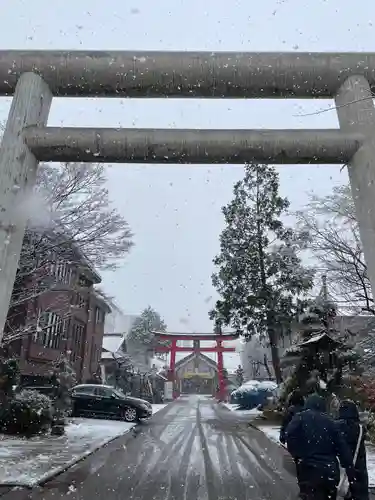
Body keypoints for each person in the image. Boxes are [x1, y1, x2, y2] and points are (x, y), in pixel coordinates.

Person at [286, 393, 355, 500]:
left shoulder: (299, 418)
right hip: (329, 472)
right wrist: (349, 468)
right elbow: (342, 448)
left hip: (308, 471)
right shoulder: (330, 422)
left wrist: (297, 455)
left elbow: (290, 436)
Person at [336, 400, 369, 500]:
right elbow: (361, 453)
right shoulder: (360, 429)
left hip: (341, 472)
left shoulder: (335, 427)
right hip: (358, 472)